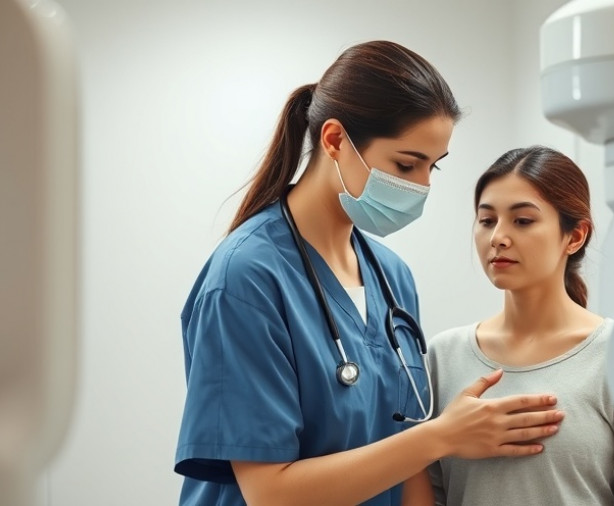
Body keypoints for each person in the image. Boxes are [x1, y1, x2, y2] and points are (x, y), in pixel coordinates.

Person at [173, 42, 566, 506]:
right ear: (335, 140)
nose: (422, 186)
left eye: (432, 166)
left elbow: (408, 466)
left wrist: (433, 440)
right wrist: (443, 437)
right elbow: (270, 492)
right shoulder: (246, 278)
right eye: (406, 164)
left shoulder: (391, 277)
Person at [423, 146, 614, 505]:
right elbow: (428, 492)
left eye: (522, 221)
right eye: (487, 220)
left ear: (575, 236)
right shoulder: (442, 355)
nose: (498, 237)